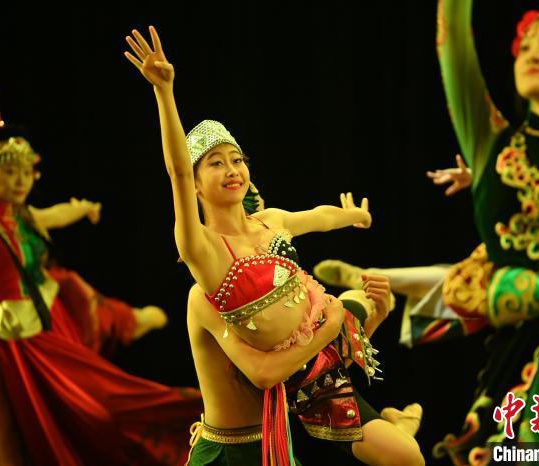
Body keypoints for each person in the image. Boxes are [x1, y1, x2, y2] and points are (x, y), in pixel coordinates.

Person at [319, 2, 539, 463]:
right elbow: (454, 45)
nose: (534, 54)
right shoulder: (494, 147)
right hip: (517, 359)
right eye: (527, 46)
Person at [124, 25, 424, 466]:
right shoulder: (204, 250)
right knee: (401, 448)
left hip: (320, 348)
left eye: (237, 160)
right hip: (295, 372)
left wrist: (353, 217)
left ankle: (388, 400)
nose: (232, 169)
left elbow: (318, 217)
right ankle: (392, 415)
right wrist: (164, 92)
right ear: (197, 185)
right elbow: (177, 171)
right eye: (216, 163)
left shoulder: (271, 221)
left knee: (362, 302)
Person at [0, 39, 202, 465]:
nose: (21, 181)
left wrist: (84, 208)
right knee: (99, 411)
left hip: (47, 318)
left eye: (25, 172)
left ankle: (129, 320)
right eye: (9, 172)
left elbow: (54, 214)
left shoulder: (23, 216)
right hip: (26, 341)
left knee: (70, 288)